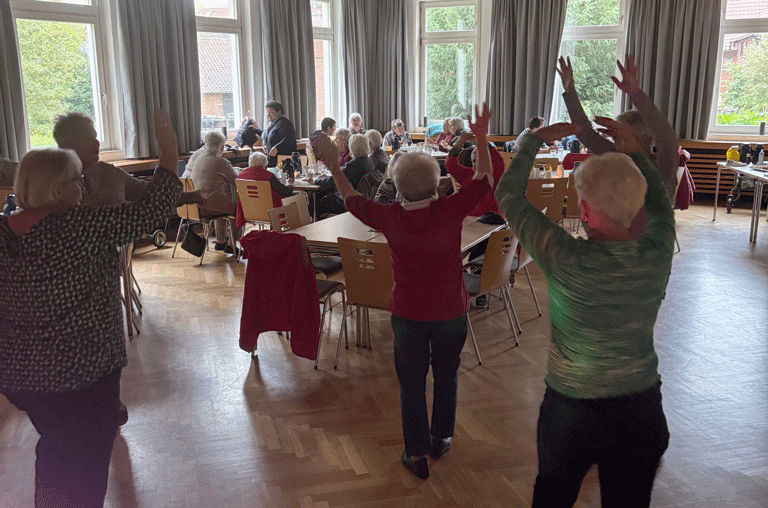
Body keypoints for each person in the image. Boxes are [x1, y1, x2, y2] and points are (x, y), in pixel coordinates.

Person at [0, 109, 182, 508]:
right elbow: (155, 210)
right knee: (85, 464)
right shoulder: (82, 227)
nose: (82, 185)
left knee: (55, 450)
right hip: (82, 374)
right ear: (56, 190)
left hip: (21, 378)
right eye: (74, 181)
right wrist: (168, 149)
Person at [494, 116, 673, 507]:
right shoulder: (658, 250)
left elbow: (507, 195)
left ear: (585, 210)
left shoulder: (563, 255)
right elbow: (660, 202)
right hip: (641, 411)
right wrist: (636, 153)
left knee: (553, 499)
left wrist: (534, 141)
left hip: (570, 413)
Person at [312, 104, 494, 480]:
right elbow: (485, 178)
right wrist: (480, 135)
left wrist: (332, 165)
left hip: (409, 315)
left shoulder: (390, 217)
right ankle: (441, 436)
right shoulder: (450, 210)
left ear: (396, 187)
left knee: (411, 385)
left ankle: (416, 454)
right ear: (436, 183)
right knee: (447, 375)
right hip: (451, 311)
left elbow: (351, 199)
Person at [557, 55, 678, 200]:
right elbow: (586, 132)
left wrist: (636, 95)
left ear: (646, 139)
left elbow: (666, 136)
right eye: (615, 137)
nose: (616, 143)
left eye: (623, 137)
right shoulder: (618, 155)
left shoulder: (663, 167)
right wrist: (570, 90)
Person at [53, 112, 202, 207]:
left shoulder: (109, 173)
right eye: (88, 138)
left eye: (96, 137)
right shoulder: (51, 184)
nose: (96, 143)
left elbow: (151, 195)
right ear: (68, 144)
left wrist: (191, 196)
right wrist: (168, 155)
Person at [189, 131, 241, 255]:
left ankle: (221, 241)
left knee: (221, 201)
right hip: (209, 207)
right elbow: (236, 182)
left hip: (194, 206)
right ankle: (231, 245)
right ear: (222, 147)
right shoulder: (221, 162)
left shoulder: (198, 159)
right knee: (238, 208)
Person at [315, 133, 374, 217]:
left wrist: (315, 181)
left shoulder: (353, 165)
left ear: (352, 147)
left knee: (316, 205)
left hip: (345, 202)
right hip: (362, 201)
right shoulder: (369, 162)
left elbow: (332, 181)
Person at [235, 151, 294, 229]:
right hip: (269, 212)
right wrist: (290, 184)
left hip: (248, 211)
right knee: (295, 197)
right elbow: (286, 192)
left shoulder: (241, 175)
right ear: (265, 165)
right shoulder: (268, 176)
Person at [254, 100, 297, 167]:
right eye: (267, 112)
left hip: (283, 160)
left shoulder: (284, 123)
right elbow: (268, 134)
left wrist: (277, 148)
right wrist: (255, 129)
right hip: (272, 159)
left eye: (271, 112)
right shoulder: (272, 124)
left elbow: (289, 139)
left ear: (279, 112)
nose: (268, 114)